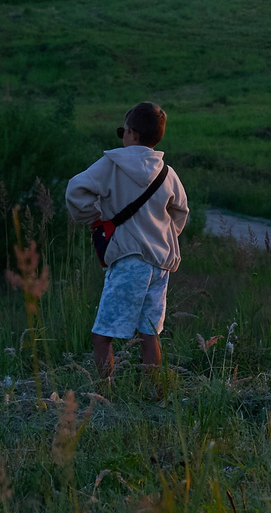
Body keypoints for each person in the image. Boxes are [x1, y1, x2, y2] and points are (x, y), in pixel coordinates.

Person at [64, 101, 190, 383]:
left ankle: (102, 396)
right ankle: (152, 394)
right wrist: (164, 234)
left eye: (123, 130)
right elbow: (181, 211)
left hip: (130, 261)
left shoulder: (112, 163)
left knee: (102, 336)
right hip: (160, 264)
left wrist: (95, 217)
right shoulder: (167, 173)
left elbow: (75, 190)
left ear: (131, 133)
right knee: (149, 334)